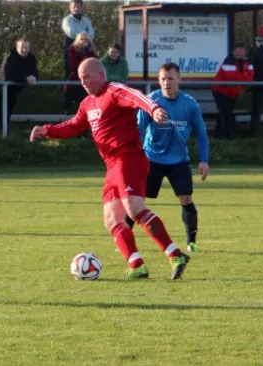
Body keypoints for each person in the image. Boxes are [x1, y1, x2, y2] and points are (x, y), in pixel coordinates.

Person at [30, 58, 190, 280]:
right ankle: (136, 264)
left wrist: (153, 109)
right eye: (80, 78)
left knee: (134, 209)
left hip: (129, 158)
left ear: (100, 74)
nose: (83, 82)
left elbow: (136, 97)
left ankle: (175, 254)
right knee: (112, 219)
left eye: (86, 76)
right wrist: (47, 131)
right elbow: (75, 125)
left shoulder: (113, 90)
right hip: (112, 166)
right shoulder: (87, 104)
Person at [125, 63, 210, 253]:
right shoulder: (151, 101)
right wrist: (135, 155)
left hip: (179, 160)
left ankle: (192, 242)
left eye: (170, 78)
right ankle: (124, 238)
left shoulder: (189, 104)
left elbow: (202, 133)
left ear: (179, 80)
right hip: (151, 159)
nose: (166, 82)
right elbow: (138, 130)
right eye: (163, 78)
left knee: (186, 198)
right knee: (135, 200)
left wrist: (204, 160)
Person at [0, 37, 39, 134]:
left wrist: (34, 78)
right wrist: (25, 79)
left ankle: (4, 129)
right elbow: (8, 74)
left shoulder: (31, 58)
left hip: (15, 87)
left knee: (9, 107)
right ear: (17, 47)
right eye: (22, 47)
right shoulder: (10, 57)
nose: (24, 50)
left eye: (26, 48)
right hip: (1, 86)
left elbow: (35, 72)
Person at [211, 42, 254, 139]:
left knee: (225, 112)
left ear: (245, 52)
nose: (240, 53)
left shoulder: (248, 61)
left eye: (242, 51)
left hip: (233, 93)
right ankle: (227, 135)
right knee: (225, 113)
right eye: (238, 51)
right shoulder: (229, 60)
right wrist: (243, 77)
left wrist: (241, 77)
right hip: (221, 91)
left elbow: (250, 77)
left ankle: (219, 135)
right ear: (233, 51)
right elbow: (230, 77)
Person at [61, 0, 95, 80]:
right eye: (74, 7)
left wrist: (84, 36)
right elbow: (71, 33)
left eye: (78, 7)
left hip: (86, 51)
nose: (76, 9)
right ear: (70, 8)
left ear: (82, 8)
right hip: (72, 51)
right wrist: (85, 35)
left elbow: (92, 34)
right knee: (71, 74)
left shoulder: (86, 21)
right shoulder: (67, 20)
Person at [63, 32, 97, 114]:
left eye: (86, 39)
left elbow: (95, 63)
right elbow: (72, 65)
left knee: (84, 99)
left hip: (88, 79)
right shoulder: (72, 50)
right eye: (82, 39)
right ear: (78, 40)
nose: (84, 41)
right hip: (73, 78)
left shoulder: (91, 51)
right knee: (69, 99)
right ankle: (65, 116)